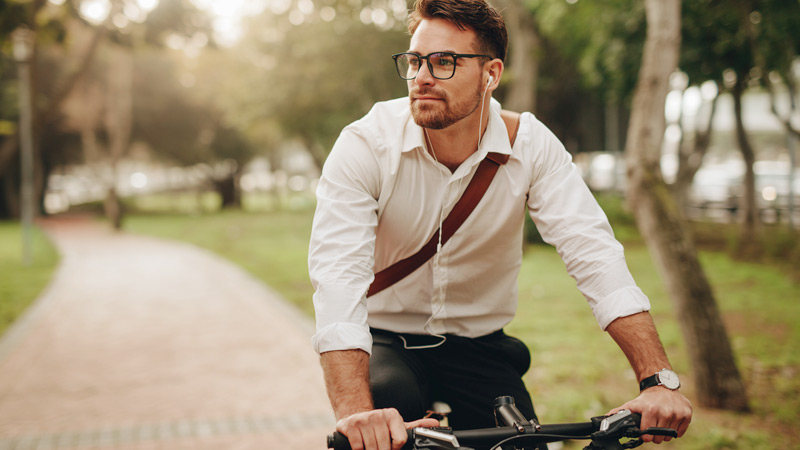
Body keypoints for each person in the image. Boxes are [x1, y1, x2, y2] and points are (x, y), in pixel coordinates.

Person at [308, 0, 693, 449]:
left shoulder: (531, 145)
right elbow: (338, 276)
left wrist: (657, 379)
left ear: (491, 74)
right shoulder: (366, 144)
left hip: (479, 346)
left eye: (444, 62)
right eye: (414, 61)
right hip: (387, 341)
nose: (422, 77)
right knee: (387, 409)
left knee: (523, 442)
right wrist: (356, 415)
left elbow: (594, 254)